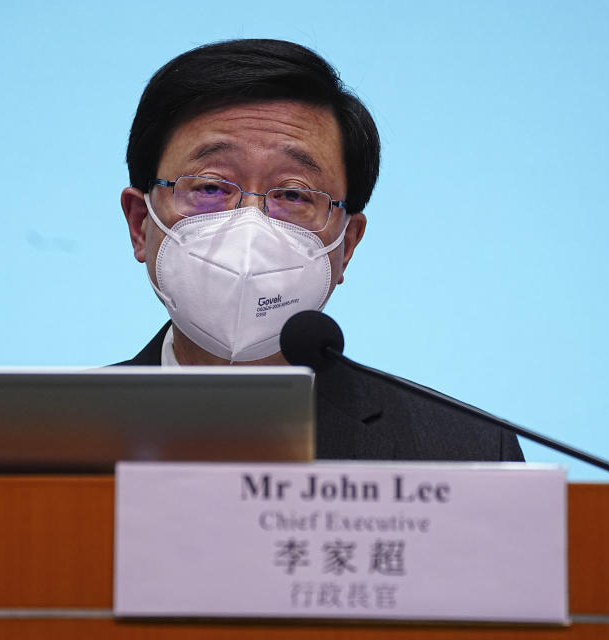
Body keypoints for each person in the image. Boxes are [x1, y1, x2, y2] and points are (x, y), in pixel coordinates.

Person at [117, 39, 523, 462]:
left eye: (293, 194)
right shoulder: (51, 440)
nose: (251, 225)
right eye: (211, 186)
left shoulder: (465, 453)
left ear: (346, 245)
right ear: (140, 224)